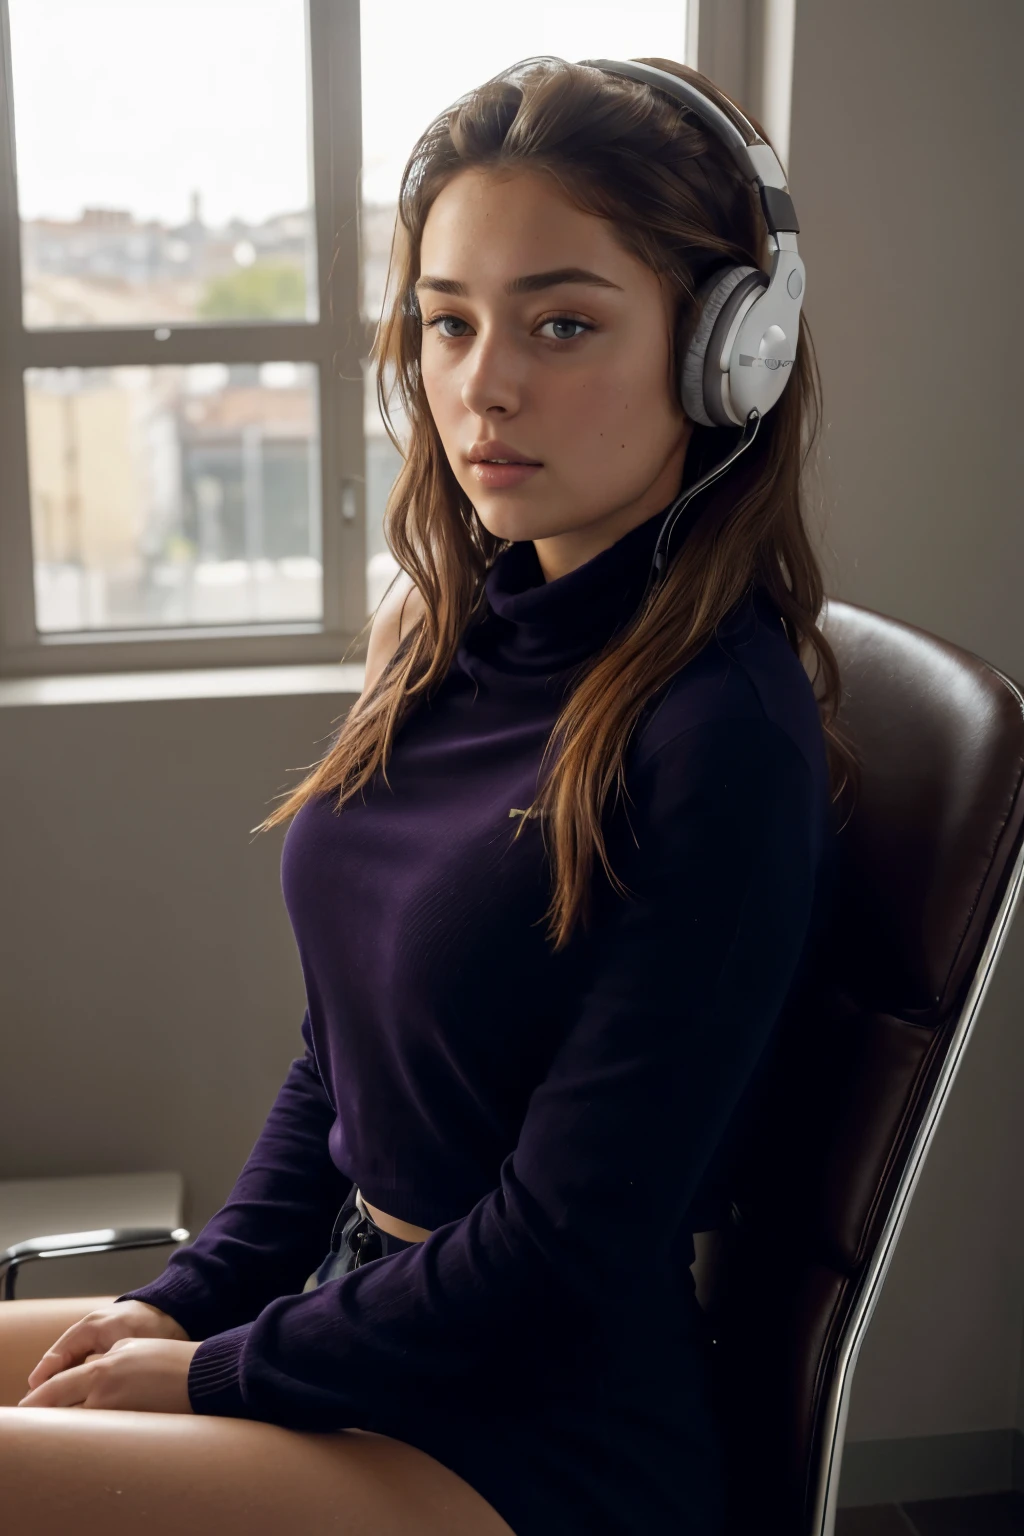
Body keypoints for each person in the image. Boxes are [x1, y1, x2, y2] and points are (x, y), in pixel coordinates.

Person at [17, 55, 857, 1536]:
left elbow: (561, 1253)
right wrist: (187, 1304)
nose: (483, 383)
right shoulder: (440, 633)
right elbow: (341, 1059)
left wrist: (213, 1378)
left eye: (564, 323)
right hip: (355, 1311)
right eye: (449, 323)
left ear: (732, 351)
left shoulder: (726, 739)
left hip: (540, 1427)